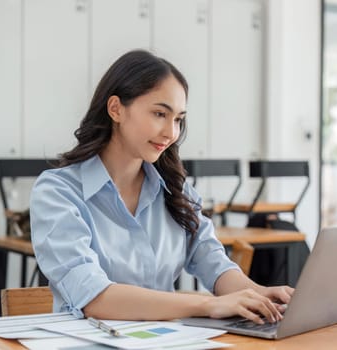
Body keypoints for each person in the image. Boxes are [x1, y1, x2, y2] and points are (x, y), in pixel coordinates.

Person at [30, 50, 293, 324]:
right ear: (116, 109)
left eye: (178, 119)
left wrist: (261, 295)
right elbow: (94, 297)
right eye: (159, 114)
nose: (172, 133)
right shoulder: (57, 192)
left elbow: (213, 263)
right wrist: (207, 304)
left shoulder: (175, 191)